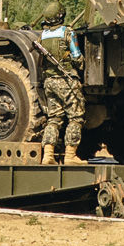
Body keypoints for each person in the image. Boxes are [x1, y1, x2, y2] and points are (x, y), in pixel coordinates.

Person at [39, 9, 85, 166]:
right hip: (66, 81)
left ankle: (48, 155)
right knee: (76, 116)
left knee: (54, 118)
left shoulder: (43, 35)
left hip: (49, 82)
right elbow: (77, 56)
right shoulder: (67, 32)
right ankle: (70, 155)